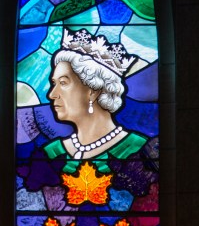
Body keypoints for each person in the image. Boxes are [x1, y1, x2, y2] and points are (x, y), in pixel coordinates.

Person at [42, 29, 147, 163]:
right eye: (54, 83)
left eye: (63, 83)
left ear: (93, 91)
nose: (52, 95)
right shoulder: (52, 153)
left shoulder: (137, 150)